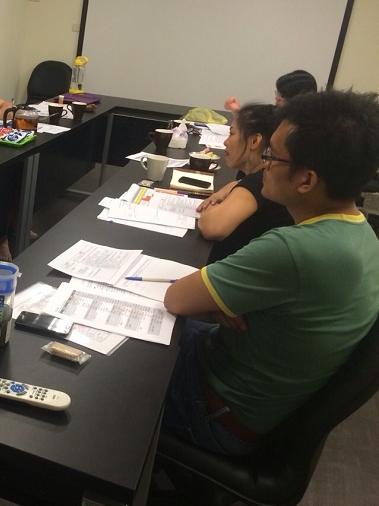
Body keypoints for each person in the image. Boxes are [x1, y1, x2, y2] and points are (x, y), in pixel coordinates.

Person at [162, 89, 379, 457]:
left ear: (306, 180)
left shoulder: (295, 249)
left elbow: (176, 298)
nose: (264, 164)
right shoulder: (362, 233)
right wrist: (217, 310)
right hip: (262, 400)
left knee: (115, 365)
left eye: (272, 156)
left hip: (216, 411)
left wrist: (213, 308)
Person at [196, 103, 293, 263]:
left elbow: (212, 228)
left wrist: (210, 207)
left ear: (254, 141)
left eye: (232, 134)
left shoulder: (261, 181)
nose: (226, 142)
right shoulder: (265, 176)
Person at [224, 70, 317, 113]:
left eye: (282, 95)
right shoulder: (276, 112)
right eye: (278, 92)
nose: (276, 98)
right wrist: (236, 109)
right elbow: (250, 122)